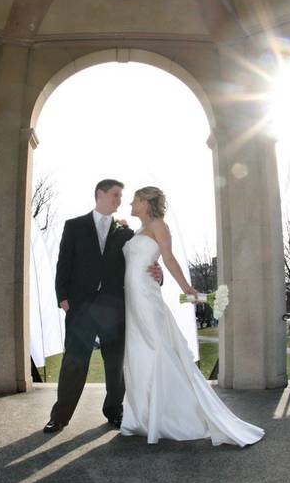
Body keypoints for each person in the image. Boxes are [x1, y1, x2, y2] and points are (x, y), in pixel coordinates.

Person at [121, 186, 264, 447]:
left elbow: (168, 258)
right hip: (132, 298)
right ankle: (143, 415)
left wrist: (186, 287)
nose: (130, 203)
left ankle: (175, 415)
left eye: (135, 199)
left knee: (156, 349)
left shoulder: (159, 226)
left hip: (145, 295)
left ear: (145, 202)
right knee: (139, 352)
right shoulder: (137, 231)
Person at [44, 179, 162, 434]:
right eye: (116, 195)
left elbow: (138, 263)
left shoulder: (126, 232)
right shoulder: (74, 226)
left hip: (113, 307)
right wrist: (62, 296)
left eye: (122, 196)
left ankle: (114, 411)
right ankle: (60, 416)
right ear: (100, 194)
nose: (120, 200)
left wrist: (157, 273)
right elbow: (63, 263)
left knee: (115, 363)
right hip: (80, 307)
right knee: (74, 362)